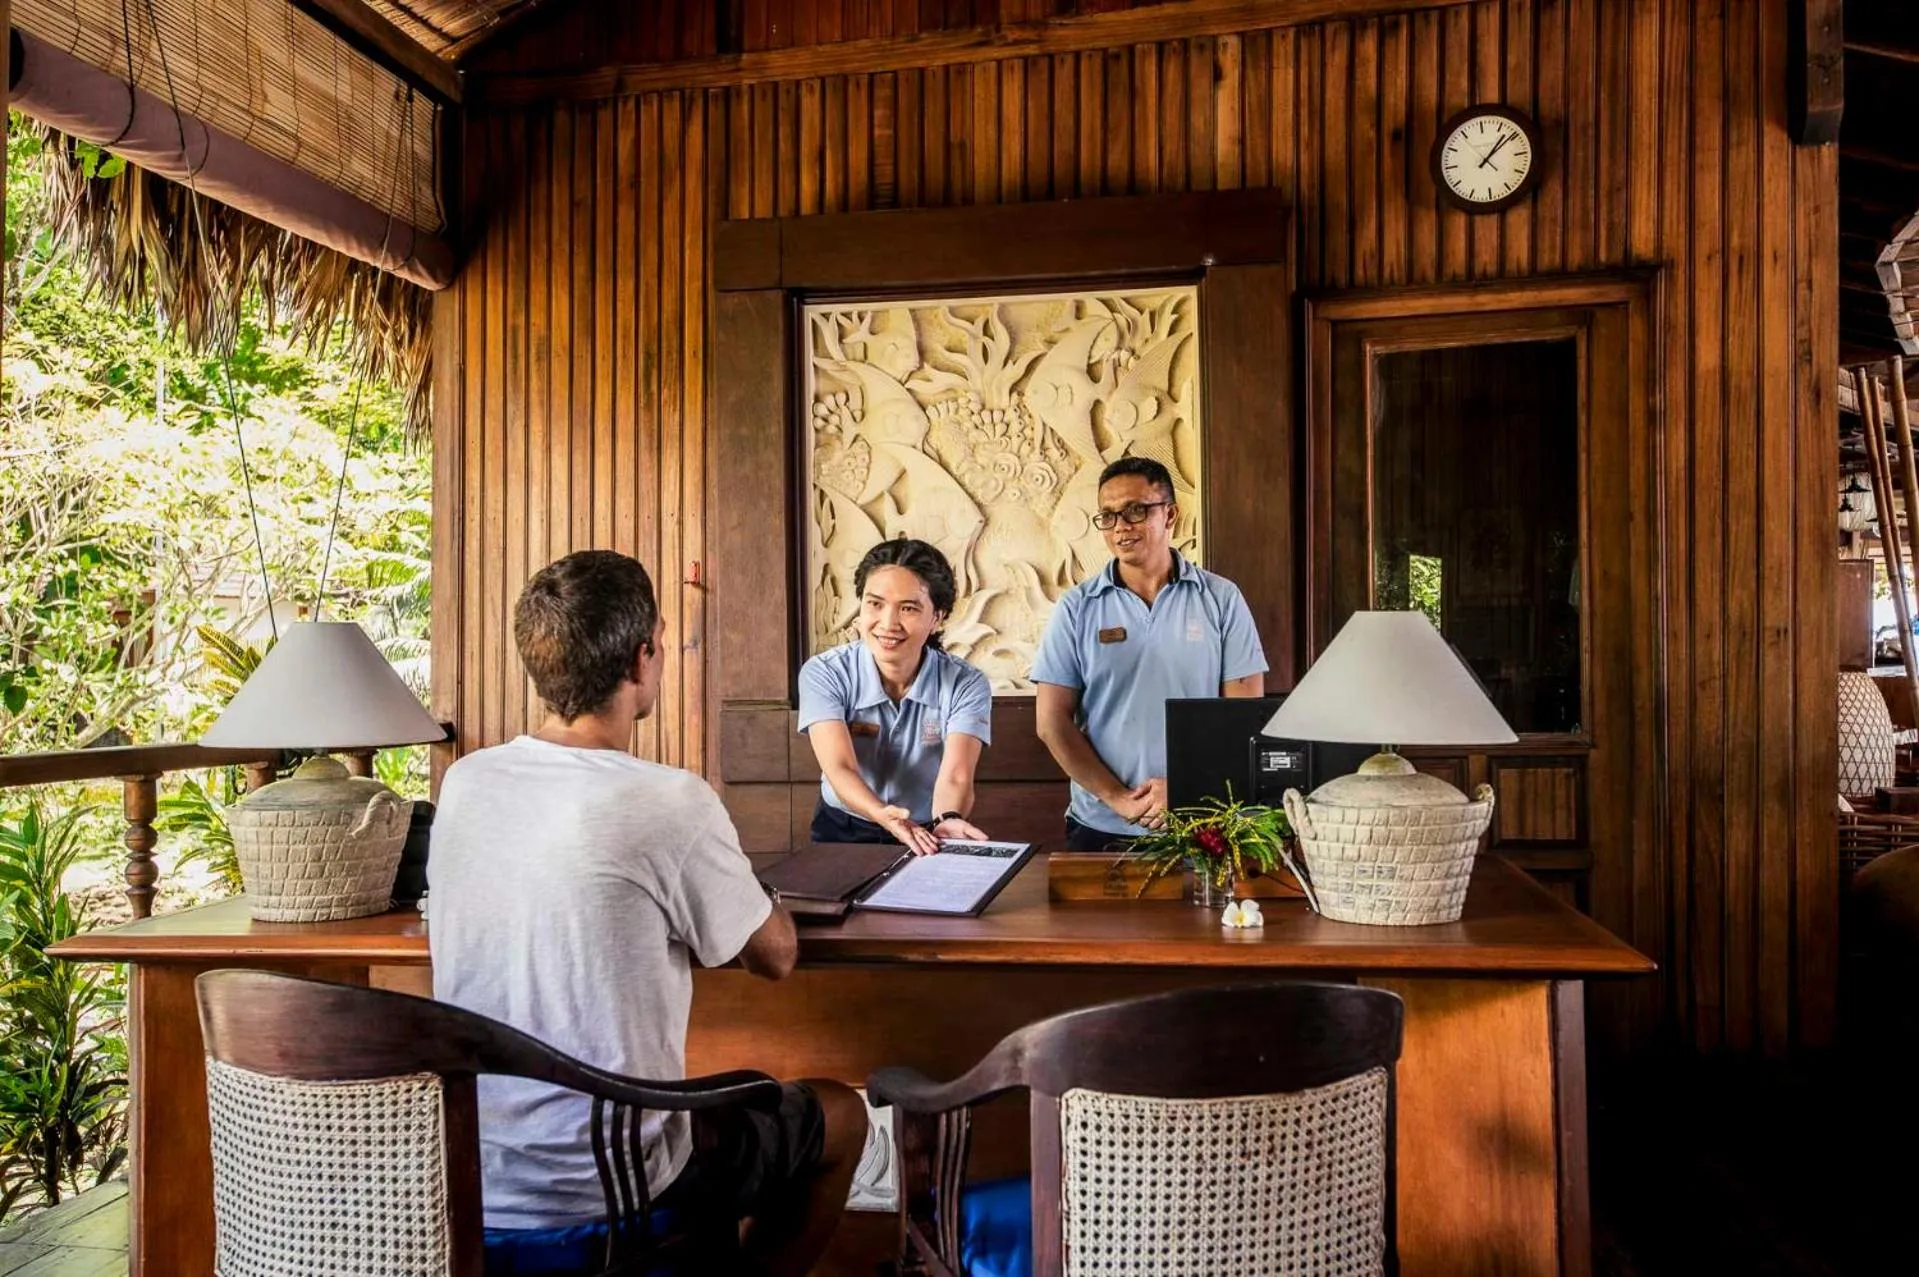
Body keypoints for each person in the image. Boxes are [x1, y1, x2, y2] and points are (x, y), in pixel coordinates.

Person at [429, 549, 863, 1277]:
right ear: (643, 657)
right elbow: (773, 954)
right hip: (618, 1183)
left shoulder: (467, 783)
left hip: (471, 1176)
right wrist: (759, 895)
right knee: (840, 1114)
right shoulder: (668, 799)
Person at [1032, 457, 1267, 851]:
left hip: (1204, 820)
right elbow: (1051, 722)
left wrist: (1187, 788)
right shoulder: (1077, 607)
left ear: (1170, 514)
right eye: (1108, 516)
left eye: (1136, 511)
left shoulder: (1221, 598)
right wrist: (1118, 798)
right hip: (1102, 825)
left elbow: (1242, 719)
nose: (1121, 526)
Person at [798, 538, 994, 855]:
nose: (888, 624)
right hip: (844, 827)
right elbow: (839, 767)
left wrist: (949, 817)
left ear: (937, 618)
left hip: (928, 832)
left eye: (908, 608)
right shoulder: (824, 673)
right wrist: (881, 814)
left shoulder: (965, 683)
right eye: (875, 604)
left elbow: (957, 774)